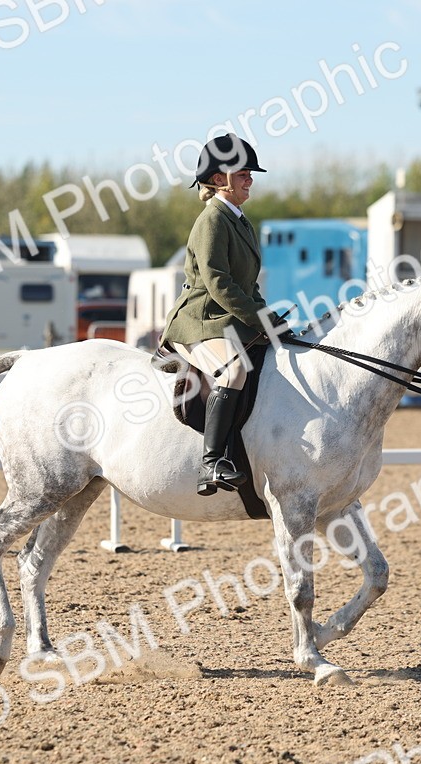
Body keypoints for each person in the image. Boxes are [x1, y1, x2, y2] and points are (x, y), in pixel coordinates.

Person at [160, 134, 281, 496]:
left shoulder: (241, 221)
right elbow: (219, 284)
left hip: (225, 319)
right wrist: (259, 320)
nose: (250, 179)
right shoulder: (212, 220)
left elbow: (248, 284)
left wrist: (270, 318)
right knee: (236, 369)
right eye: (243, 173)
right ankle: (212, 461)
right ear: (218, 180)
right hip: (199, 319)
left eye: (249, 173)